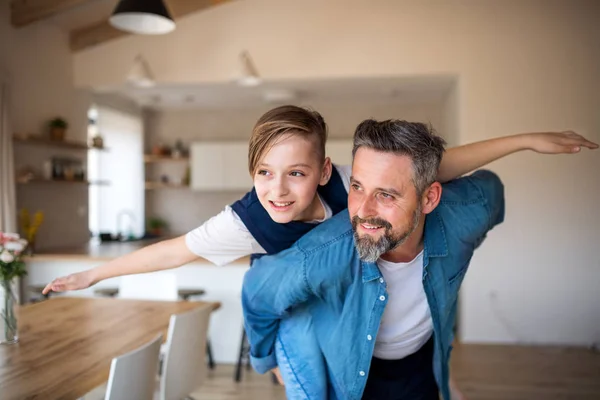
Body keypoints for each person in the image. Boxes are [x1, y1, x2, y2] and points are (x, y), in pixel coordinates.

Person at [43, 106, 596, 399]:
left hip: (369, 322)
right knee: (300, 345)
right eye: (263, 173)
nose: (278, 190)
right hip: (296, 316)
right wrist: (94, 274)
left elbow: (447, 166)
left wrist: (527, 139)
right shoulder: (250, 222)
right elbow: (173, 253)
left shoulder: (346, 188)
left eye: (295, 173)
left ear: (324, 172)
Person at [241, 118, 598, 400]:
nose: (362, 212)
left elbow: (492, 190)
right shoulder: (322, 252)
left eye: (386, 194)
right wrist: (267, 362)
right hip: (349, 373)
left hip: (422, 365)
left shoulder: (466, 212)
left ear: (429, 199)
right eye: (358, 186)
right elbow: (258, 292)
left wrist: (527, 141)